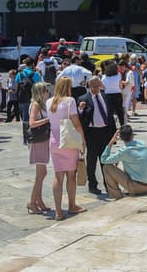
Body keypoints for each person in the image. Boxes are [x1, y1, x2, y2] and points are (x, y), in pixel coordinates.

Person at [46, 77, 87, 221]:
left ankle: (58, 211)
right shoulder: (70, 101)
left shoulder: (49, 102)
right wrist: (82, 141)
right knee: (71, 175)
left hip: (54, 141)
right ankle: (72, 205)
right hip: (68, 141)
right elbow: (76, 123)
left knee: (58, 176)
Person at [77, 76, 116, 195]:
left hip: (105, 132)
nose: (95, 89)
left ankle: (108, 184)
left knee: (105, 160)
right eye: (93, 86)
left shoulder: (105, 97)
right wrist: (80, 109)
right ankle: (92, 185)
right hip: (91, 133)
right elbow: (79, 118)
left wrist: (113, 135)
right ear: (89, 86)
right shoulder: (82, 99)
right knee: (92, 161)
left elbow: (110, 116)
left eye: (97, 86)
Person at [100, 124, 147, 200]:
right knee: (122, 163)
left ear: (121, 138)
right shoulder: (142, 144)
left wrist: (111, 142)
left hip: (138, 188)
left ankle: (116, 196)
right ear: (132, 135)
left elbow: (103, 160)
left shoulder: (124, 151)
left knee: (107, 167)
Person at [26, 82, 51, 214]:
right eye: (45, 90)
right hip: (38, 141)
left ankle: (39, 200)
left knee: (42, 172)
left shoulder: (41, 104)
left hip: (42, 140)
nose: (47, 92)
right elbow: (32, 123)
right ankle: (32, 202)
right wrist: (48, 120)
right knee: (41, 173)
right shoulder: (36, 105)